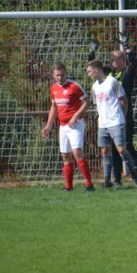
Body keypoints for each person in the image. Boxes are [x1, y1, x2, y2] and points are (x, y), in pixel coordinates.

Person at [87, 34, 137, 188]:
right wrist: (92, 51)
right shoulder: (108, 74)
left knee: (126, 145)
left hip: (124, 114)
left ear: (121, 61)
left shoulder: (127, 72)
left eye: (114, 59)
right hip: (108, 117)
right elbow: (93, 67)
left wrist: (127, 47)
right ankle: (116, 179)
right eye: (110, 59)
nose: (111, 62)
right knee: (111, 148)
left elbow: (135, 62)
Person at [41, 62, 95, 192]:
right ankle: (68, 186)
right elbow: (54, 107)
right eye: (57, 75)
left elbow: (86, 101)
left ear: (66, 73)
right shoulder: (53, 88)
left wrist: (75, 116)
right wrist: (48, 126)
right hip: (63, 126)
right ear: (53, 75)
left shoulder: (74, 86)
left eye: (62, 74)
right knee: (65, 155)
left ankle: (89, 184)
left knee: (77, 152)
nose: (60, 77)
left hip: (76, 124)